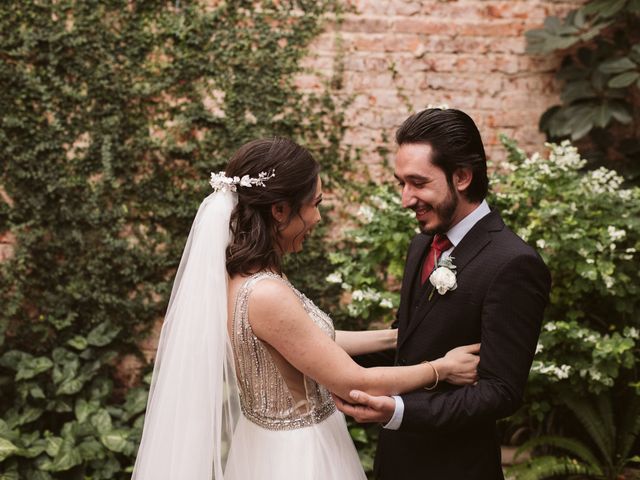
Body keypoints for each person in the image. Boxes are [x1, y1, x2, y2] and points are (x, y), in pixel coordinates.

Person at [131, 137, 481, 480]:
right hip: (299, 456)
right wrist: (442, 368)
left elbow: (311, 341)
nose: (317, 217)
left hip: (264, 445)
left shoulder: (241, 276)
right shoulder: (266, 293)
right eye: (315, 203)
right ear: (280, 210)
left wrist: (396, 337)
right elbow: (353, 381)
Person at [334, 108, 552, 480]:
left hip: (455, 468)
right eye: (401, 183)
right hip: (393, 463)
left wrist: (398, 411)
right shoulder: (422, 245)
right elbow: (409, 346)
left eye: (417, 183)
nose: (405, 198)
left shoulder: (513, 263)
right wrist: (327, 367)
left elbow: (500, 392)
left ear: (462, 177)